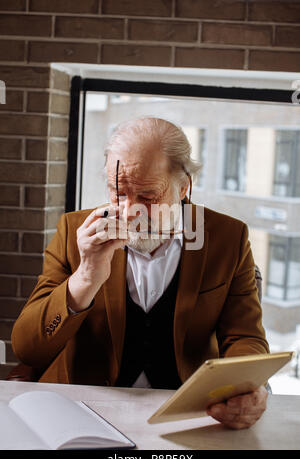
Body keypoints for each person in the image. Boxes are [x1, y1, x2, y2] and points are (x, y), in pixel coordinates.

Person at [11, 117, 269, 430]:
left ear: (184, 187)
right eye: (117, 192)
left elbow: (245, 337)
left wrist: (249, 387)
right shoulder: (73, 231)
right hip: (82, 413)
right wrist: (86, 276)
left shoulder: (228, 237)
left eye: (147, 197)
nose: (129, 211)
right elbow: (27, 348)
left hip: (184, 415)